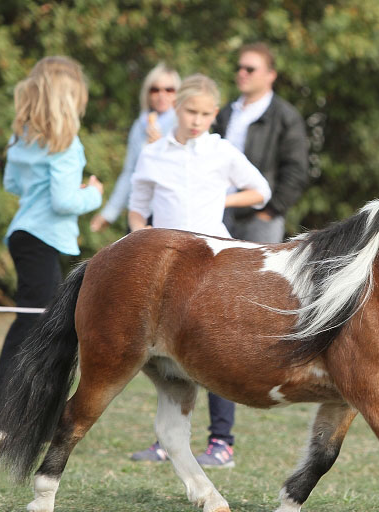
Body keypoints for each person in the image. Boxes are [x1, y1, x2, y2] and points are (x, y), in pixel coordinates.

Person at [130, 43, 309, 467]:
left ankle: (221, 443)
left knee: (213, 351)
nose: (199, 121)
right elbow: (137, 206)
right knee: (165, 354)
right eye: (192, 113)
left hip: (212, 263)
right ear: (178, 108)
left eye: (208, 115)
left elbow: (261, 190)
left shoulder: (220, 151)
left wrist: (220, 202)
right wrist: (142, 237)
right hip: (166, 264)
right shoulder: (153, 153)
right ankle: (167, 440)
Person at [0, 56, 104, 448]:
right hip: (45, 238)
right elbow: (66, 202)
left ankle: (15, 421)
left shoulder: (22, 138)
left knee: (36, 326)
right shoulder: (66, 145)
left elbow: (13, 184)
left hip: (23, 236)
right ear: (71, 99)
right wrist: (93, 194)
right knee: (33, 327)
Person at [89, 63, 181, 233]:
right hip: (140, 212)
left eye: (169, 90)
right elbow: (129, 172)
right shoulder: (140, 125)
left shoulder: (182, 125)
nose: (162, 95)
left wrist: (161, 148)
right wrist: (109, 213)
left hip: (170, 214)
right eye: (155, 90)